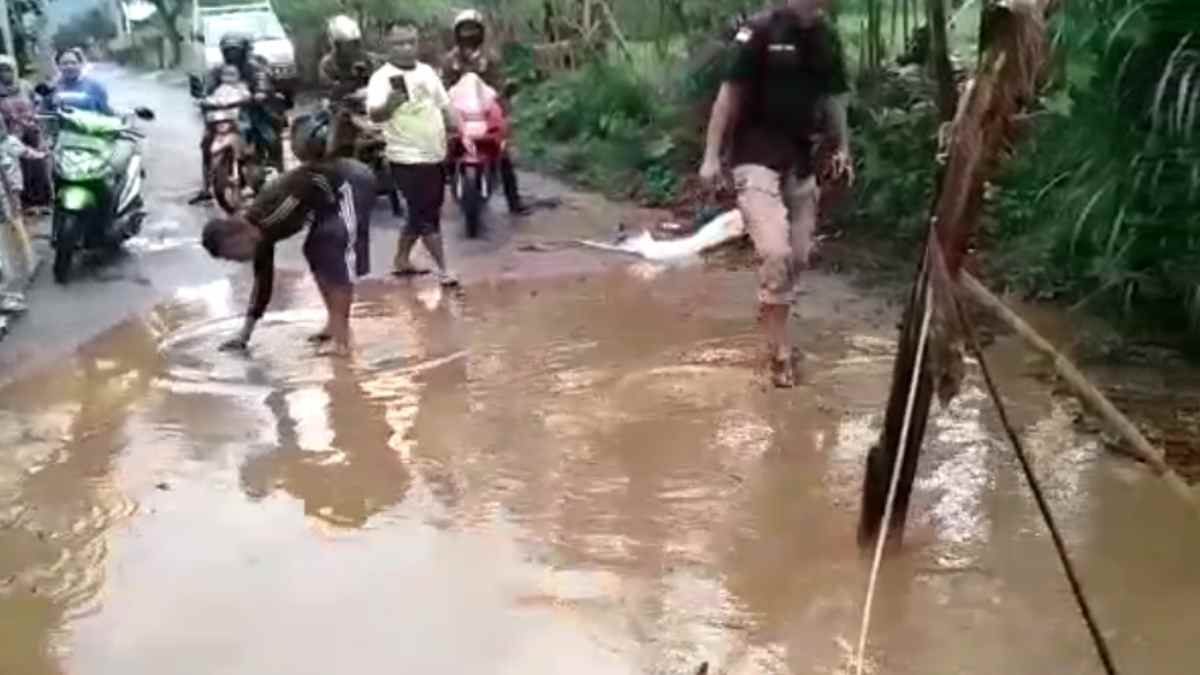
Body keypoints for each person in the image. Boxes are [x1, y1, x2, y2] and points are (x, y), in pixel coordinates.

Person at [699, 0, 853, 387]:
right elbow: (728, 95)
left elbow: (834, 98)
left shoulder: (825, 37)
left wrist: (843, 147)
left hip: (801, 157)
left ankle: (771, 310)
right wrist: (710, 157)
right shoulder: (760, 32)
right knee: (775, 253)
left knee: (799, 255)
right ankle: (778, 349)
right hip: (754, 156)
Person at [201, 114, 377, 356]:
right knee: (314, 250)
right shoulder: (259, 237)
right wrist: (244, 335)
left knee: (332, 247)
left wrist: (330, 206)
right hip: (331, 196)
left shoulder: (273, 212)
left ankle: (342, 338)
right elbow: (262, 286)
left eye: (232, 255)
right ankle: (333, 325)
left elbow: (312, 175)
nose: (238, 260)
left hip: (349, 181)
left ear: (236, 236)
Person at [367, 19, 469, 286]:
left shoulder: (427, 72)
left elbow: (445, 106)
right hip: (406, 158)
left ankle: (401, 260)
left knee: (420, 210)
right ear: (388, 45)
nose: (406, 48)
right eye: (399, 43)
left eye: (411, 42)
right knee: (427, 215)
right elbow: (375, 115)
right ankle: (445, 269)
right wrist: (388, 106)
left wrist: (460, 131)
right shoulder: (381, 78)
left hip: (434, 153)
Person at [440, 9, 531, 216]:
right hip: (459, 115)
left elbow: (498, 85)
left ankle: (514, 202)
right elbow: (443, 88)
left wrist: (504, 104)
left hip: (484, 112)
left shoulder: (490, 58)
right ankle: (431, 201)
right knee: (440, 152)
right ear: (457, 32)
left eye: (472, 29)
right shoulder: (449, 61)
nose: (468, 34)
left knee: (504, 155)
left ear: (480, 32)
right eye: (464, 29)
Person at [191, 33, 284, 204]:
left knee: (269, 136)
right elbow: (208, 88)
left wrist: (261, 93)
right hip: (226, 114)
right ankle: (206, 187)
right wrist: (203, 98)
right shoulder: (218, 70)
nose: (231, 54)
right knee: (206, 141)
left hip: (252, 111)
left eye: (235, 50)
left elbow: (262, 81)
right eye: (228, 50)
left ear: (244, 52)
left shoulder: (255, 68)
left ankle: (280, 175)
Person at [318, 14, 381, 158]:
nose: (350, 47)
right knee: (333, 144)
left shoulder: (370, 60)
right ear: (336, 44)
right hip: (345, 110)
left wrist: (368, 90)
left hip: (372, 108)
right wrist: (349, 89)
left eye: (353, 43)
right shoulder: (328, 64)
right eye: (345, 44)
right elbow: (330, 91)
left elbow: (381, 81)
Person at [0, 55, 49, 209]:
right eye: (1, 71)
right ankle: (25, 204)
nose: (4, 74)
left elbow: (38, 103)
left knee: (39, 165)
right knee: (19, 170)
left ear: (14, 70)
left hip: (32, 130)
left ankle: (42, 201)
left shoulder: (25, 85)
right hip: (11, 134)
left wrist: (35, 117)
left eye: (8, 70)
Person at [0, 115, 46, 217]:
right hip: (11, 182)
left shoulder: (9, 141)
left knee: (11, 206)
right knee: (13, 207)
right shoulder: (10, 142)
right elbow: (26, 152)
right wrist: (41, 155)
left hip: (9, 183)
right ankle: (18, 228)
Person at [46, 49, 113, 115]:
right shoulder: (51, 88)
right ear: (58, 66)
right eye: (65, 63)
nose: (70, 66)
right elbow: (43, 113)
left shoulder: (95, 86)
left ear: (81, 64)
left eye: (73, 63)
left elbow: (106, 111)